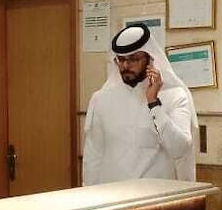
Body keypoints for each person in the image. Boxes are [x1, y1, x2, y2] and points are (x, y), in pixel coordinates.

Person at [82, 23, 198, 185]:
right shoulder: (101, 99)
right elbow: (93, 155)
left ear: (150, 59)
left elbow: (179, 149)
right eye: (121, 59)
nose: (125, 65)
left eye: (133, 59)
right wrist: (89, 192)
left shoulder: (174, 96)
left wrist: (154, 103)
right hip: (112, 194)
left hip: (156, 195)